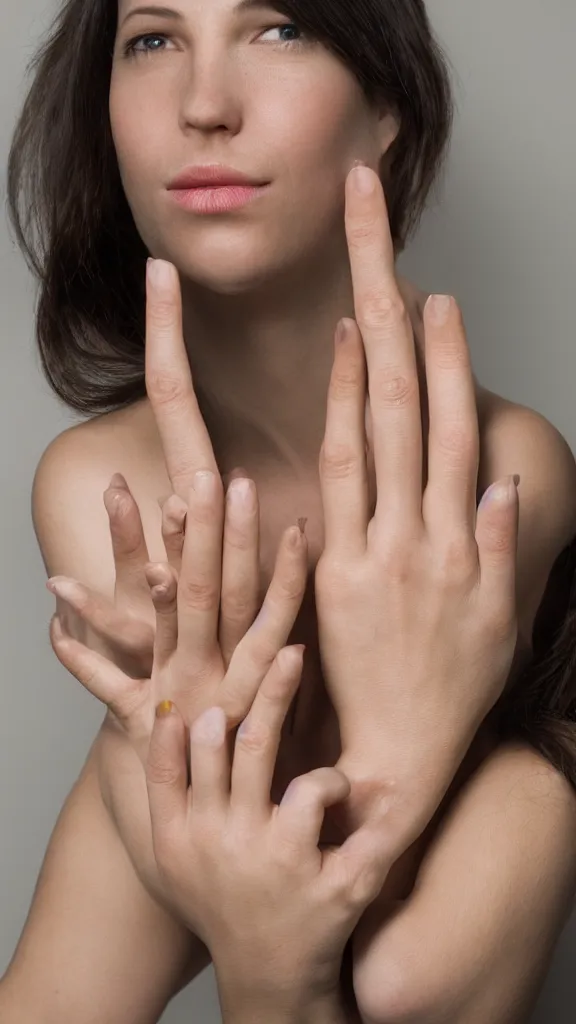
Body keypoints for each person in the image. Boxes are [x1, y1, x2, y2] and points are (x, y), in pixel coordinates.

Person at [1, 0, 576, 1020]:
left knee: (421, 963)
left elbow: (352, 955)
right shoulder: (101, 490)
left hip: (441, 916)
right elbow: (246, 919)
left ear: (387, 104)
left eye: (276, 29)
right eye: (153, 40)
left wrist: (396, 766)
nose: (205, 104)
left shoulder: (509, 471)